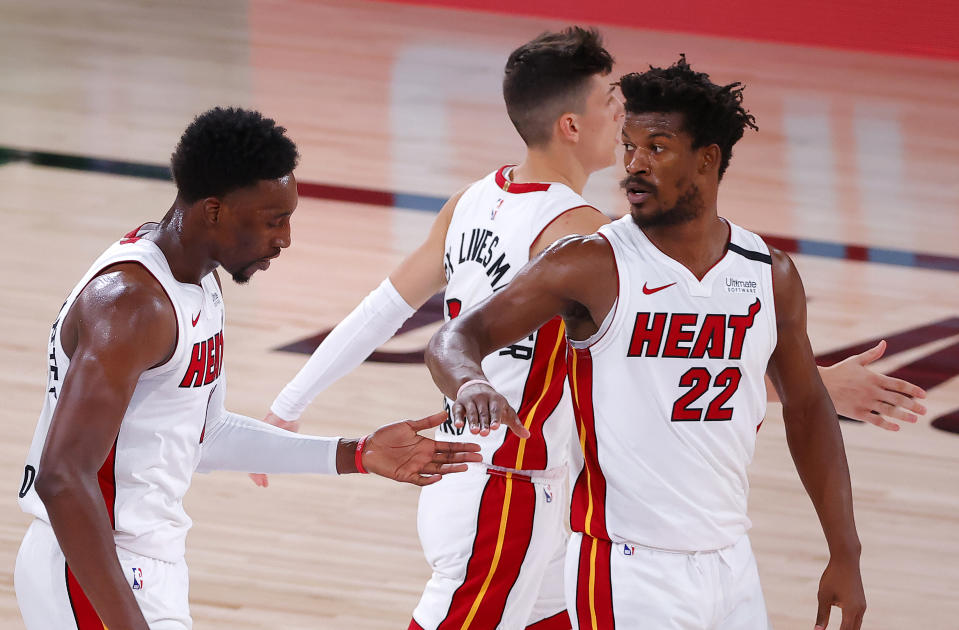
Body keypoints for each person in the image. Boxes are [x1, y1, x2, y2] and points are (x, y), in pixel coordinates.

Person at [258, 32, 923, 630]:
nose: (623, 128)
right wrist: (812, 384)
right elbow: (637, 366)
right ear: (573, 124)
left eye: (647, 139)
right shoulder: (587, 243)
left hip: (498, 479)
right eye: (614, 108)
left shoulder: (478, 198)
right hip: (517, 481)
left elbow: (384, 306)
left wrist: (288, 405)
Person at [425, 57, 869, 629]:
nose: (633, 165)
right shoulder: (591, 263)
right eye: (629, 146)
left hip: (732, 560)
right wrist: (470, 380)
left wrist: (846, 552)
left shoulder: (768, 272)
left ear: (707, 159)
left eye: (657, 149)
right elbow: (456, 336)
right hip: (626, 565)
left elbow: (808, 410)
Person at [14, 107, 481, 630]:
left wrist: (357, 454)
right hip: (92, 568)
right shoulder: (132, 304)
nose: (285, 238)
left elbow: (205, 437)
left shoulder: (197, 281)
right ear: (214, 211)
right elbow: (62, 477)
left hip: (142, 563)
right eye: (272, 220)